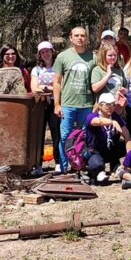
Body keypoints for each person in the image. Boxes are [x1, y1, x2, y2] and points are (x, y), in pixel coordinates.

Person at [53, 27, 96, 173]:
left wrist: (96, 103)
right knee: (65, 136)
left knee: (84, 136)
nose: (80, 38)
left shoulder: (93, 57)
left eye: (82, 36)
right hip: (67, 104)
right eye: (76, 35)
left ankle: (79, 165)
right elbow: (57, 81)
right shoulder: (62, 57)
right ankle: (64, 167)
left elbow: (96, 80)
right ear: (71, 38)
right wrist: (57, 103)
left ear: (86, 38)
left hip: (86, 104)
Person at [82, 93, 129, 183]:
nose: (111, 107)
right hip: (95, 151)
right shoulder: (92, 116)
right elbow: (97, 122)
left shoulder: (115, 116)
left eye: (113, 105)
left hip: (110, 149)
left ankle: (115, 166)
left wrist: (130, 157)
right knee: (97, 166)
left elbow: (126, 135)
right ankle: (96, 171)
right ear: (100, 105)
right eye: (107, 105)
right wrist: (112, 122)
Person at [29, 41, 61, 171]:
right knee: (39, 133)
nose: (45, 54)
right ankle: (38, 163)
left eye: (47, 51)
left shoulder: (59, 68)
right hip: (40, 104)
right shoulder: (36, 69)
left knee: (56, 132)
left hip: (55, 102)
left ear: (52, 52)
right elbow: (34, 88)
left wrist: (45, 87)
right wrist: (52, 88)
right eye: (42, 52)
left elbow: (62, 86)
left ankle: (58, 162)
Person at [90, 43, 127, 115]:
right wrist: (108, 74)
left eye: (115, 55)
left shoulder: (119, 70)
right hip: (103, 110)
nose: (113, 57)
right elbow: (95, 88)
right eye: (110, 55)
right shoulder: (97, 70)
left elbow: (126, 88)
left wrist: (124, 90)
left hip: (118, 108)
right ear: (104, 56)